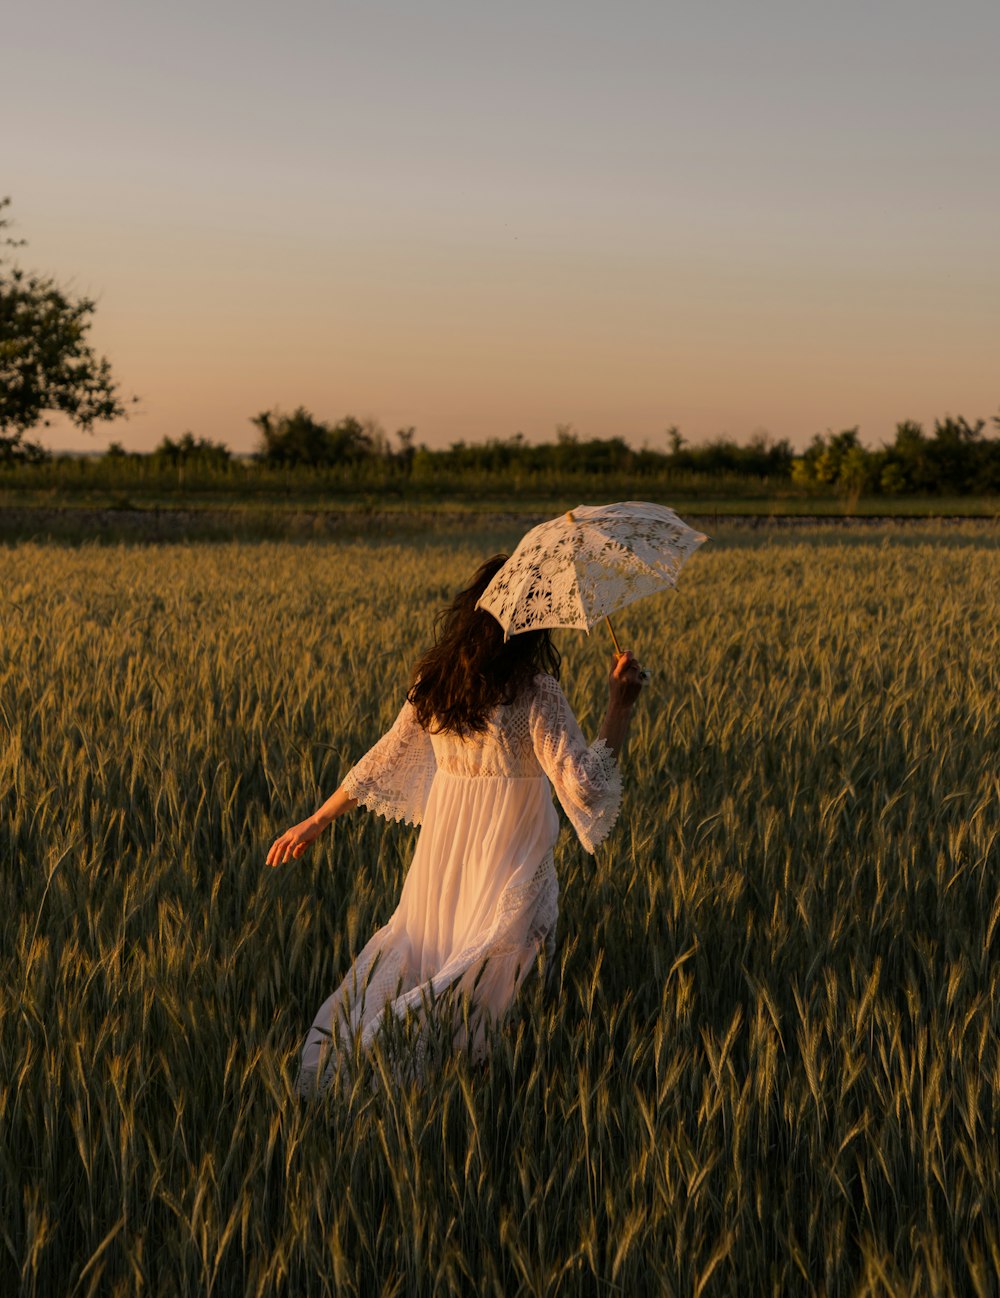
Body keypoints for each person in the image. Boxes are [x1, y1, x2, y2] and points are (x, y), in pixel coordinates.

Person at [266, 554, 646, 1096]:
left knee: (436, 956)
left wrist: (318, 819)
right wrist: (621, 704)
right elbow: (584, 784)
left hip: (444, 854)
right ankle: (470, 1082)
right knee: (501, 974)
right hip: (511, 852)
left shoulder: (436, 682)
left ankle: (416, 1078)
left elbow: (384, 758)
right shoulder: (536, 693)